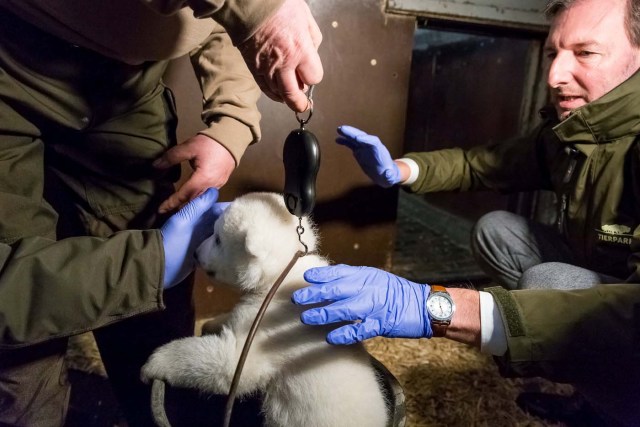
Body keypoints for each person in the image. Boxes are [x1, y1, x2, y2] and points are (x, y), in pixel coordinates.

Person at [293, 0, 640, 425]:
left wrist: (439, 308)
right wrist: (399, 169)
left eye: (585, 53)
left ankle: (617, 408)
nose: (554, 77)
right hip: (607, 268)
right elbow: (484, 163)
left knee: (550, 282)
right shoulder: (577, 130)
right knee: (498, 231)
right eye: (552, 53)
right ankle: (588, 392)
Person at [0, 0, 323, 426]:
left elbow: (220, 23)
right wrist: (260, 8)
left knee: (154, 318)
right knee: (21, 354)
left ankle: (159, 411)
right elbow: (12, 296)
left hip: (129, 85)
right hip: (13, 52)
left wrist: (232, 124)